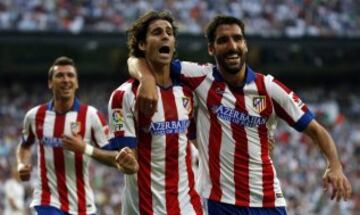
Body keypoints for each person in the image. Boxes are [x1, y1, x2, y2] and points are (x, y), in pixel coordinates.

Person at [128, 15, 352, 214]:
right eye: (223, 40)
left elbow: (316, 130)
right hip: (219, 202)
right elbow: (139, 59)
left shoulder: (269, 88)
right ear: (211, 49)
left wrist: (334, 165)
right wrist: (146, 79)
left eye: (237, 38)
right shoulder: (200, 77)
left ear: (245, 45)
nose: (232, 45)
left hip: (267, 201)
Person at [107, 11, 203, 214]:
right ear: (142, 45)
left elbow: (197, 139)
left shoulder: (190, 90)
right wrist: (126, 162)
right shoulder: (123, 96)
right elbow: (127, 155)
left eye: (169, 32)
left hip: (188, 205)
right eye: (157, 32)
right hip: (145, 207)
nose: (165, 36)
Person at [16, 56, 138, 215]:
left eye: (70, 75)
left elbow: (116, 158)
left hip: (82, 204)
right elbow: (24, 145)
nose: (66, 79)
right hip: (47, 200)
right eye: (60, 75)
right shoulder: (34, 115)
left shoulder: (91, 116)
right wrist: (21, 164)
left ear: (77, 82)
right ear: (50, 83)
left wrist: (85, 148)